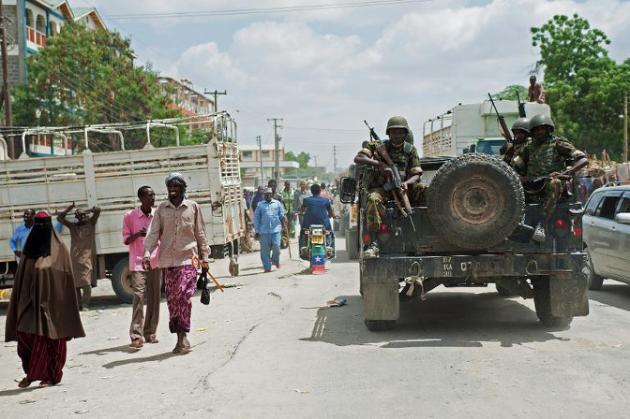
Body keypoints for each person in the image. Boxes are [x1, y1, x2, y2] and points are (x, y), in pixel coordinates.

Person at [5, 211, 85, 388]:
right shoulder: (28, 252)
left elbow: (64, 282)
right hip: (30, 305)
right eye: (38, 224)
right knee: (24, 336)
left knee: (51, 341)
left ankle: (49, 376)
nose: (41, 228)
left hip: (53, 307)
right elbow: (21, 282)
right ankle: (31, 373)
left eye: (44, 224)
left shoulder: (60, 250)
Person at [143, 173, 209, 355]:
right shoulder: (161, 210)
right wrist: (147, 253)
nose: (172, 189)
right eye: (170, 186)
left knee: (183, 295)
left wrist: (205, 258)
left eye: (176, 186)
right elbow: (153, 234)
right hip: (168, 261)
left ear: (183, 188)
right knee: (172, 300)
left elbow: (200, 233)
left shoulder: (193, 207)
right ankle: (179, 337)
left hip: (188, 258)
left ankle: (183, 336)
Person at [353, 116, 425, 258]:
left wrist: (407, 183)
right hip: (384, 189)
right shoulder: (379, 146)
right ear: (388, 133)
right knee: (373, 199)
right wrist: (379, 165)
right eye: (394, 132)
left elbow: (417, 174)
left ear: (405, 134)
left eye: (400, 132)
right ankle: (374, 244)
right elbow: (358, 159)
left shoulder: (410, 150)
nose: (397, 136)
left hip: (404, 188)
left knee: (428, 191)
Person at [514, 114, 588, 241]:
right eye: (536, 130)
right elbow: (516, 164)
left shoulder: (558, 143)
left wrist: (566, 173)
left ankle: (541, 224)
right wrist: (519, 176)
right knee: (510, 181)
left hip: (552, 184)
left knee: (555, 182)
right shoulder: (529, 146)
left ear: (548, 129)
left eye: (542, 129)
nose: (539, 132)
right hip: (532, 184)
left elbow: (583, 159)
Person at [123, 186, 161, 350]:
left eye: (153, 195)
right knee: (138, 295)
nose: (152, 198)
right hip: (138, 261)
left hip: (154, 259)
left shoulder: (158, 215)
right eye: (149, 196)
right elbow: (125, 240)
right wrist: (138, 234)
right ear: (141, 198)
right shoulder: (130, 216)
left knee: (154, 297)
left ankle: (150, 332)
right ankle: (136, 335)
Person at [57, 202, 101, 311]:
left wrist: (87, 210)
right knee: (76, 285)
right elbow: (59, 218)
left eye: (83, 216)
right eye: (79, 216)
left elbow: (98, 210)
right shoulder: (73, 226)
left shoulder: (91, 223)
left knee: (86, 284)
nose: (82, 218)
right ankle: (78, 305)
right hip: (74, 259)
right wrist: (69, 208)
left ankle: (85, 304)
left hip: (86, 259)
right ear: (76, 218)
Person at [254, 187, 287, 272]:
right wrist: (257, 231)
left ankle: (274, 260)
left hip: (276, 230)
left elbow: (281, 214)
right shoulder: (260, 205)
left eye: (269, 194)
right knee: (265, 251)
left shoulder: (277, 203)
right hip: (264, 231)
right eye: (266, 194)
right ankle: (267, 267)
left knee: (277, 247)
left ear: (272, 194)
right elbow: (257, 219)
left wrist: (283, 221)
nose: (268, 195)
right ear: (264, 195)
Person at [300, 183, 336, 253]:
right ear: (320, 191)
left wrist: (301, 213)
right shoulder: (326, 200)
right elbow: (330, 212)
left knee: (303, 234)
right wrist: (333, 216)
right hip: (324, 225)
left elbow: (302, 210)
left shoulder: (306, 200)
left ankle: (302, 249)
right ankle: (331, 249)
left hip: (308, 225)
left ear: (311, 191)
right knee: (330, 234)